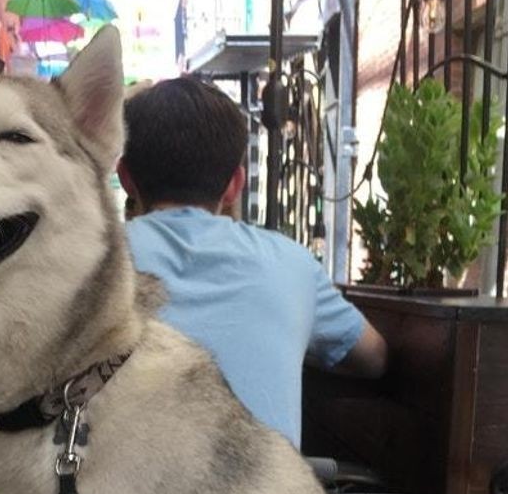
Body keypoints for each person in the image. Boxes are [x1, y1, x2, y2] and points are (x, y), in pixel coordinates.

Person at [120, 77, 387, 449]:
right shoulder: (292, 262)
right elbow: (375, 358)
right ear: (235, 185)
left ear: (126, 178)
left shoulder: (93, 260)